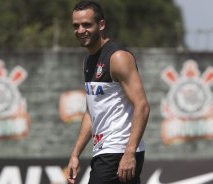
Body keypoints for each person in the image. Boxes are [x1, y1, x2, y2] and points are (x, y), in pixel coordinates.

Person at [67, 1, 150, 184]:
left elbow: (142, 106)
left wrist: (129, 153)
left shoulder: (118, 57)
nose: (80, 30)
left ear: (101, 25)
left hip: (118, 152)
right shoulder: (88, 61)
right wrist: (75, 154)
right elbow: (92, 112)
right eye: (76, 26)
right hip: (105, 151)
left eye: (87, 25)